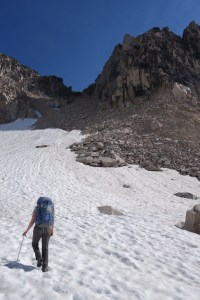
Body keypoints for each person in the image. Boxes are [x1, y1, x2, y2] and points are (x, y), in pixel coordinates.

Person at [23, 197, 54, 272]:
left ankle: (39, 259)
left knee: (34, 244)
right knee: (45, 247)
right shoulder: (50, 209)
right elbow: (52, 219)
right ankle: (45, 267)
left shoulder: (36, 209)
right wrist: (52, 229)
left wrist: (26, 231)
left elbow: (32, 221)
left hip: (38, 229)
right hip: (47, 229)